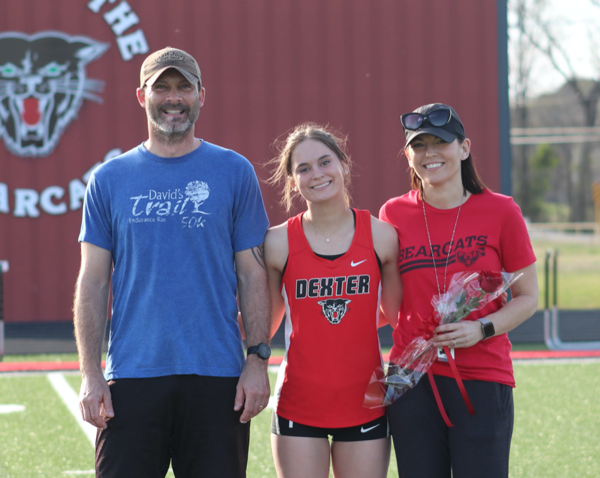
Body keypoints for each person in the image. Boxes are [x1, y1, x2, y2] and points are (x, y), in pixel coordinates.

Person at [73, 46, 271, 477]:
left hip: (217, 377)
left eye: (184, 87)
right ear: (142, 96)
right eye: (161, 87)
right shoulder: (109, 179)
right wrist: (90, 372)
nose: (173, 97)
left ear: (202, 95)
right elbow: (93, 280)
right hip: (133, 375)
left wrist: (257, 360)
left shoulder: (234, 172)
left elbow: (252, 272)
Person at [380, 103, 539, 478]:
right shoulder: (392, 214)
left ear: (464, 148)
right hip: (409, 379)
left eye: (441, 142)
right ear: (408, 156)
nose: (430, 153)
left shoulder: (502, 211)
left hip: (482, 378)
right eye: (419, 146)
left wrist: (480, 329)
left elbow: (529, 297)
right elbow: (387, 302)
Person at [264, 123, 403, 478]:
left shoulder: (381, 236)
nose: (317, 174)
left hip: (365, 401)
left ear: (343, 164)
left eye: (325, 162)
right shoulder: (277, 242)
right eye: (304, 169)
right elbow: (266, 323)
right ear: (293, 182)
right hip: (298, 402)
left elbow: (396, 314)